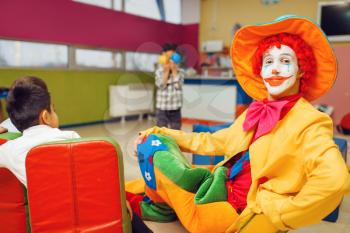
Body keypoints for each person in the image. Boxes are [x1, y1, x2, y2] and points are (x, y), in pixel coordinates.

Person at [132, 15, 350, 233]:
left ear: (302, 70)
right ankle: (164, 202)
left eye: (285, 61)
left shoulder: (310, 120)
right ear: (261, 70)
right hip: (220, 183)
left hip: (231, 210)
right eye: (268, 61)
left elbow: (335, 180)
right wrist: (159, 131)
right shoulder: (257, 109)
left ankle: (162, 207)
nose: (274, 69)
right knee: (153, 140)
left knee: (153, 155)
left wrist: (280, 213)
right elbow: (215, 141)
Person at [0, 76, 152, 233]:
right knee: (129, 213)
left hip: (48, 221)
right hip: (89, 211)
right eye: (54, 110)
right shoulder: (70, 137)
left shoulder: (10, 150)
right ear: (45, 116)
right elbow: (94, 178)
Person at [155, 43, 185, 130]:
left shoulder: (180, 71)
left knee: (176, 129)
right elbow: (160, 85)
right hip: (162, 106)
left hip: (175, 106)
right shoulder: (159, 71)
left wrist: (175, 71)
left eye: (172, 57)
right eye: (168, 58)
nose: (170, 61)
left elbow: (178, 86)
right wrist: (166, 72)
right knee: (161, 130)